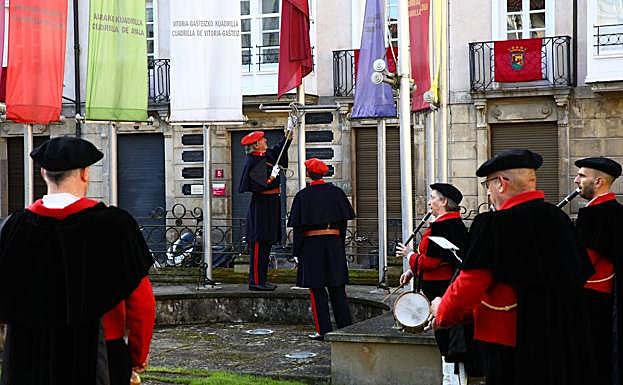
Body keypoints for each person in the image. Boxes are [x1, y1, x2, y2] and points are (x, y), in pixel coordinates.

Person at [431, 149, 594, 385]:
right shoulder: (558, 218)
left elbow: (470, 284)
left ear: (501, 183)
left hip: (511, 339)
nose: (487, 191)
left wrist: (441, 311)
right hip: (560, 336)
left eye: (488, 184)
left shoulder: (493, 224)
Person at [0, 136, 155, 385]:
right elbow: (141, 301)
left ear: (42, 173)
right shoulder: (115, 226)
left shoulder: (13, 227)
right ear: (85, 173)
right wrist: (137, 354)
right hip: (98, 351)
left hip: (27, 354)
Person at [396, 183, 474, 385]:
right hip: (441, 288)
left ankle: (453, 381)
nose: (429, 202)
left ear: (444, 202)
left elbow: (432, 262)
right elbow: (436, 257)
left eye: (432, 198)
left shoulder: (444, 227)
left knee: (448, 340)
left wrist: (409, 255)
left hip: (443, 290)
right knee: (446, 339)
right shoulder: (448, 225)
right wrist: (412, 271)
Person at [287, 158, 356, 340]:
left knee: (317, 291)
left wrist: (297, 252)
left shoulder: (303, 196)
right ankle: (345, 328)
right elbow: (343, 223)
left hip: (311, 246)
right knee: (338, 289)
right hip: (333, 244)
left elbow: (299, 229)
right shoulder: (337, 193)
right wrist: (338, 243)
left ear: (309, 174)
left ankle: (323, 330)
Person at [573, 156, 623, 385]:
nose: (577, 180)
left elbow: (583, 263)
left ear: (599, 181)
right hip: (605, 297)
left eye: (582, 176)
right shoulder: (616, 211)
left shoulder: (595, 215)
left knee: (591, 359)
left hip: (591, 298)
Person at [238, 130, 292, 291]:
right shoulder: (253, 160)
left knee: (267, 242)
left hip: (272, 202)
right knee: (259, 243)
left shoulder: (265, 154)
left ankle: (262, 279)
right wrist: (273, 177)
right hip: (262, 203)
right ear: (256, 145)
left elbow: (279, 150)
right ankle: (255, 281)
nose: (265, 140)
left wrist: (288, 136)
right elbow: (259, 185)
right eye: (262, 140)